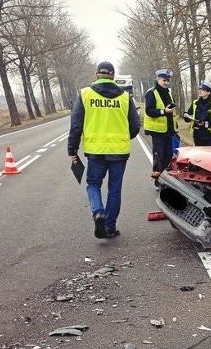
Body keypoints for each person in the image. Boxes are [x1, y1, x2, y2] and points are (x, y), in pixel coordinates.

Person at [67, 61, 141, 239]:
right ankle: (109, 226)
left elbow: (76, 125)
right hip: (119, 151)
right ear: (113, 76)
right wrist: (122, 137)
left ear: (96, 74)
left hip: (95, 151)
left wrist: (72, 149)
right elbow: (136, 125)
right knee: (115, 188)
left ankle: (98, 213)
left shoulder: (85, 94)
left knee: (93, 185)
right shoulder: (125, 97)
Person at [144, 68, 179, 181]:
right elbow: (149, 111)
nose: (166, 83)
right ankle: (156, 179)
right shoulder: (151, 93)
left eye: (167, 81)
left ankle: (163, 177)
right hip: (157, 131)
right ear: (158, 79)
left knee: (168, 155)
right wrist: (163, 111)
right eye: (164, 80)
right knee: (158, 156)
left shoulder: (168, 92)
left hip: (168, 130)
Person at [183, 80, 211, 146]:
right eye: (200, 89)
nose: (200, 91)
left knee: (210, 156)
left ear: (208, 92)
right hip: (198, 136)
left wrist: (204, 124)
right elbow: (188, 116)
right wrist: (186, 116)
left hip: (210, 137)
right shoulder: (195, 103)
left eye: (203, 89)